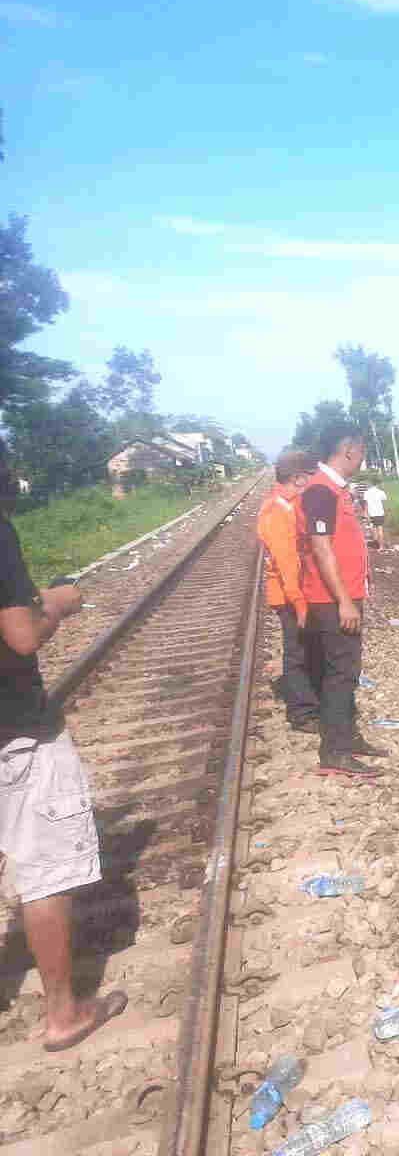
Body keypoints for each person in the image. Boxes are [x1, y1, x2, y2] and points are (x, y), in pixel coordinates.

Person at [0, 440, 127, 1051]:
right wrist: (57, 605)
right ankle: (63, 1014)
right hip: (14, 732)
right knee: (44, 870)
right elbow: (21, 637)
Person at [297, 426, 386, 778]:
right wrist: (345, 600)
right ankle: (335, 751)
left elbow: (345, 543)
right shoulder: (320, 489)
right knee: (340, 673)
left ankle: (348, 738)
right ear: (349, 451)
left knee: (349, 671)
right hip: (332, 601)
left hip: (343, 595)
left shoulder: (334, 489)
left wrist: (362, 580)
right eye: (361, 454)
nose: (362, 460)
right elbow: (321, 549)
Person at [257, 449, 318, 731]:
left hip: (294, 592)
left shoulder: (287, 505)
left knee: (305, 649)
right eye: (309, 476)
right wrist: (299, 602)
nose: (313, 481)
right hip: (288, 595)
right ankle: (301, 714)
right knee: (297, 652)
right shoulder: (276, 510)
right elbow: (286, 562)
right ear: (297, 478)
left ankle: (308, 704)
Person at [363, 482, 389, 550]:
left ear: (369, 485)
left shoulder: (366, 493)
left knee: (373, 528)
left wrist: (365, 513)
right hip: (380, 513)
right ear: (376, 485)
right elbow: (384, 502)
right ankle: (381, 546)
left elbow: (366, 505)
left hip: (371, 513)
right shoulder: (381, 492)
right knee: (380, 529)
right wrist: (385, 511)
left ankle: (376, 542)